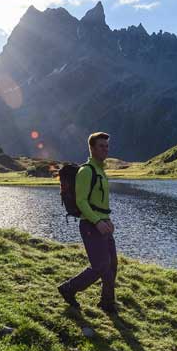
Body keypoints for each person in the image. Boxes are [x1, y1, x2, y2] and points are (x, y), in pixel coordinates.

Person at [58, 132, 118, 313]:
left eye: (107, 146)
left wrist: (107, 220)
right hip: (90, 225)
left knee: (112, 264)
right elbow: (81, 202)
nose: (105, 149)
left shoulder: (101, 170)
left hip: (102, 222)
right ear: (92, 148)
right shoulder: (86, 171)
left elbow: (101, 202)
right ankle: (68, 289)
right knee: (100, 265)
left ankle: (107, 303)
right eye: (101, 146)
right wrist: (98, 221)